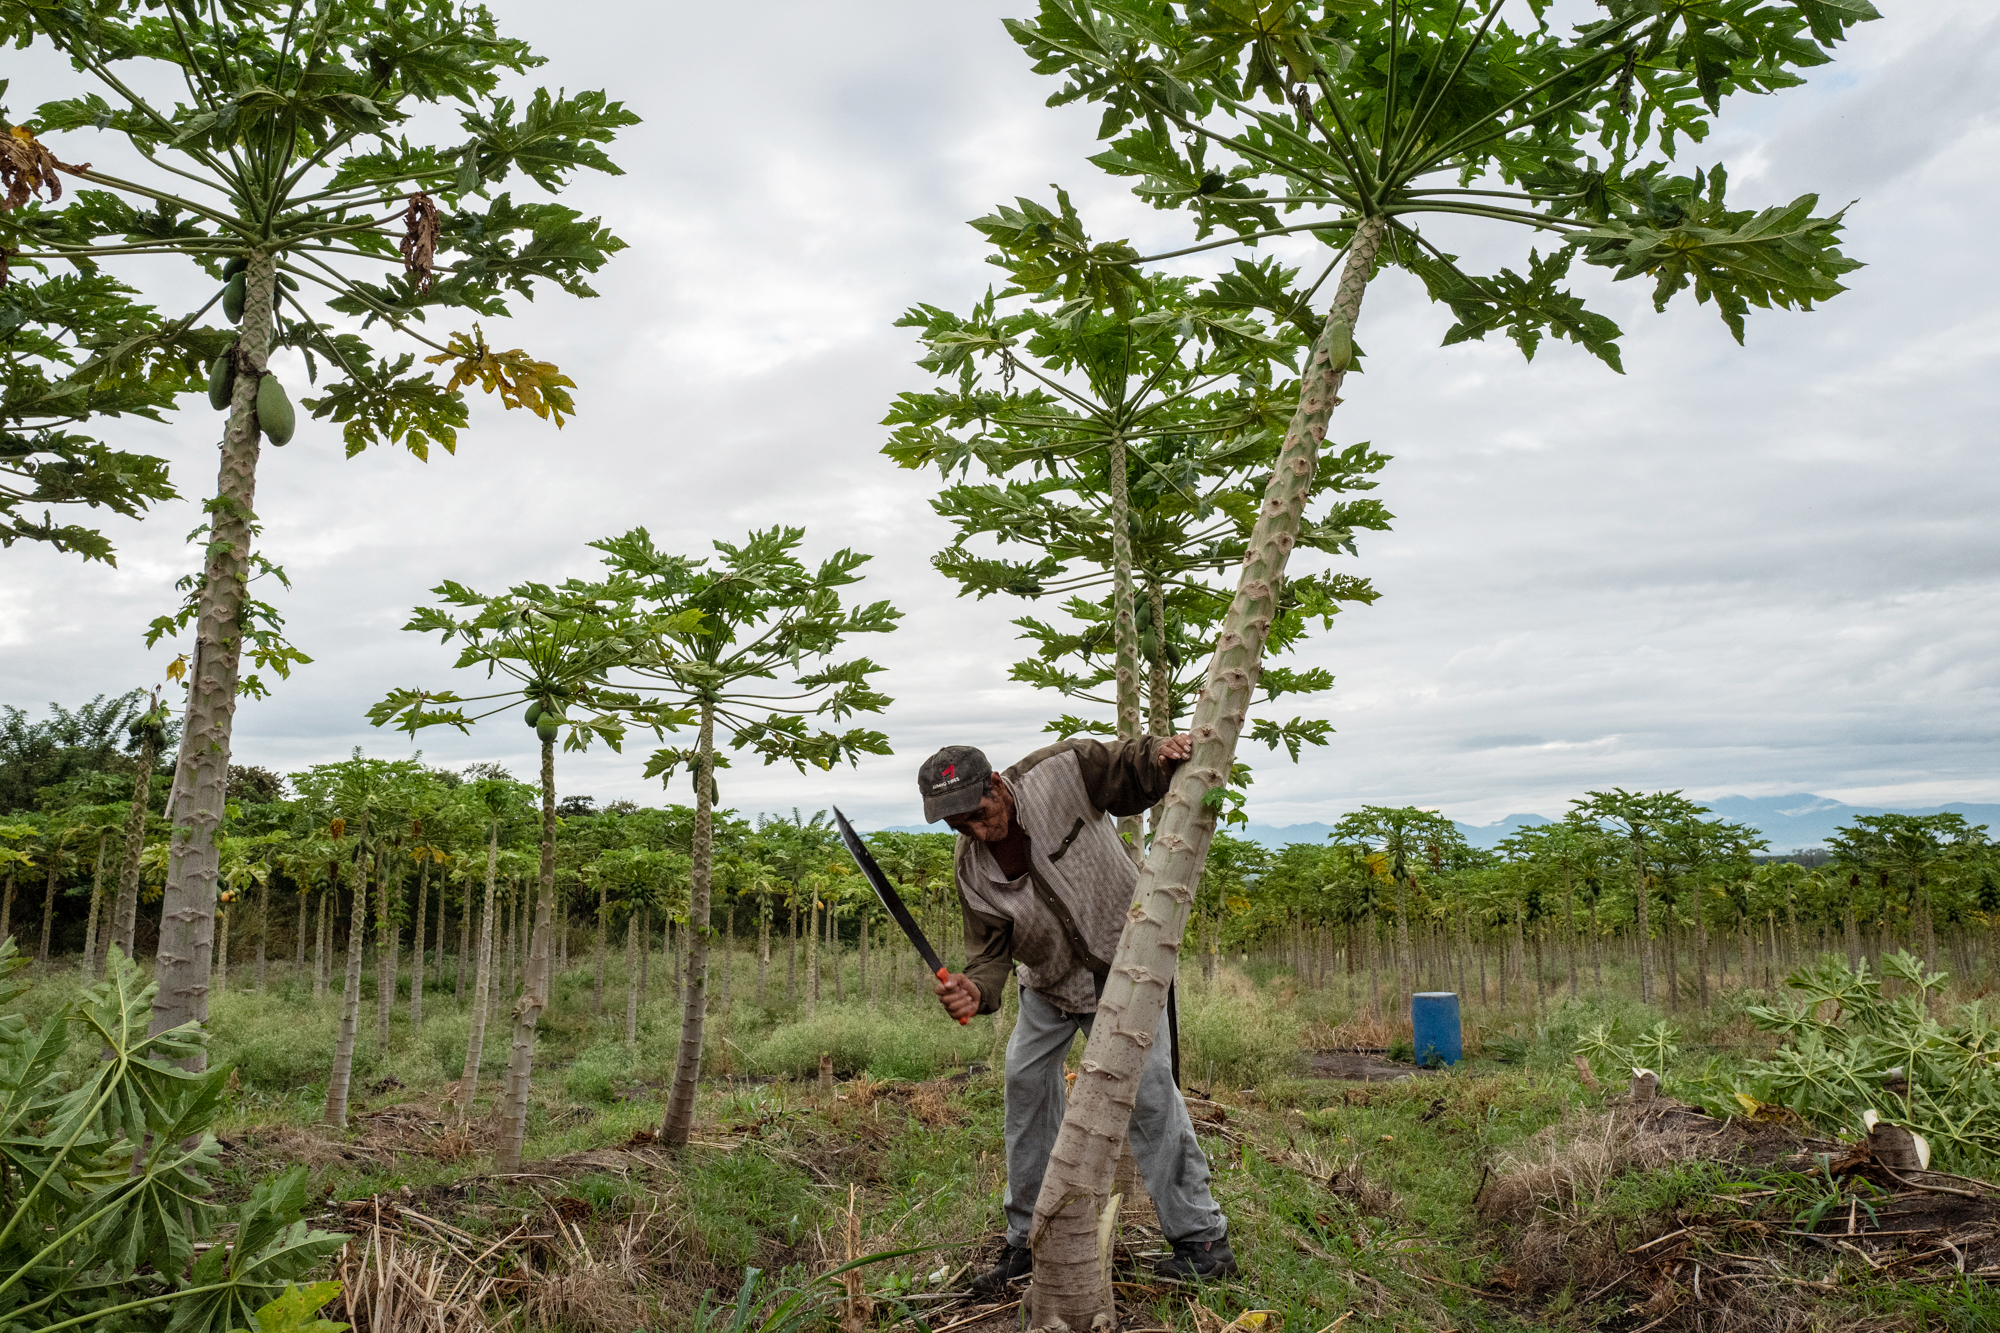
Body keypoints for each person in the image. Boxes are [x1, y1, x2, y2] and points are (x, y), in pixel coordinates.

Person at [917, 736, 1238, 1295]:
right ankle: (1028, 1240)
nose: (973, 829)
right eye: (956, 824)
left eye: (978, 813)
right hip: (1046, 983)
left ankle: (1202, 1241)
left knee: (1149, 1090)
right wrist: (975, 991)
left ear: (996, 784)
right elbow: (989, 955)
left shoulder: (1058, 773)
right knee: (1025, 1083)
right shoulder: (971, 870)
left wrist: (1158, 755)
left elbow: (1125, 771)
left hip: (1127, 964)